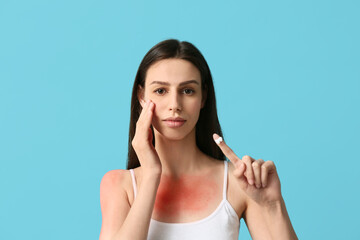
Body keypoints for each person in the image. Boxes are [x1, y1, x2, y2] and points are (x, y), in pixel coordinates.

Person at [99, 39, 298, 240]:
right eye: (161, 91)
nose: (175, 104)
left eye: (187, 91)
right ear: (141, 97)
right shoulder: (119, 185)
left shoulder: (239, 183)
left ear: (203, 97)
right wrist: (151, 174)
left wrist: (273, 205)